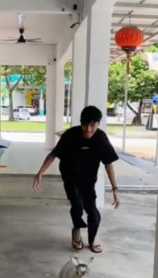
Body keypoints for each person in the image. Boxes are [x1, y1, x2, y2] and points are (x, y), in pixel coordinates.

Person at [33, 105, 121, 254]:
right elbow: (53, 155)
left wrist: (115, 189)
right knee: (77, 205)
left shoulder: (101, 138)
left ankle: (92, 238)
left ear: (98, 124)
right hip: (70, 175)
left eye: (92, 125)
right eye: (85, 124)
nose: (88, 129)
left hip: (88, 178)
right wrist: (40, 173)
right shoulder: (70, 135)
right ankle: (76, 231)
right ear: (80, 122)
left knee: (92, 210)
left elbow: (108, 164)